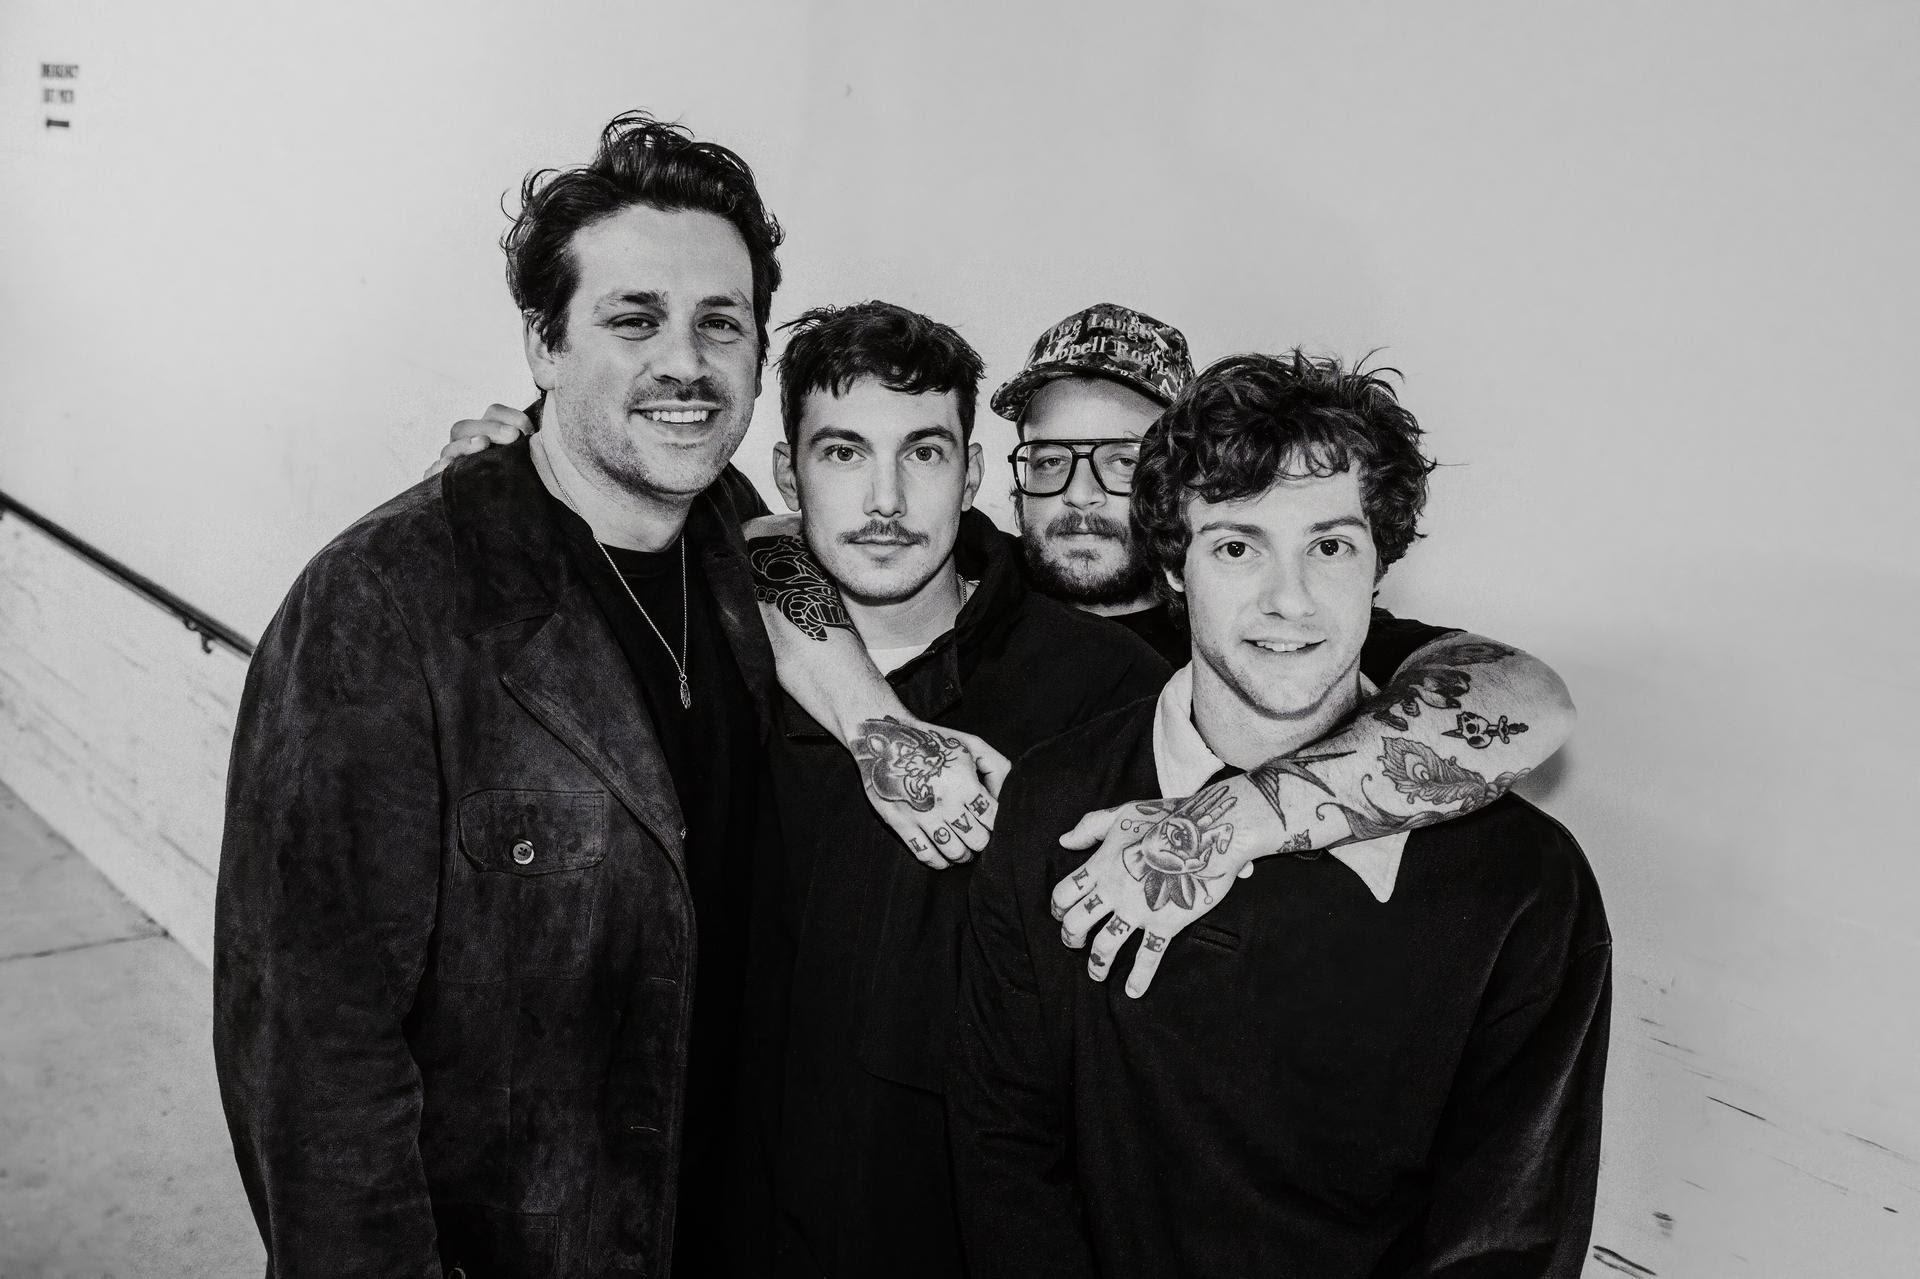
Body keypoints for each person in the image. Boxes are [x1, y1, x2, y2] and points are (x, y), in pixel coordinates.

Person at [431, 306, 1579, 994]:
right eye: (1051, 458)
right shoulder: (972, 591)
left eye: (1122, 460)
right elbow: (771, 542)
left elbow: (1524, 698)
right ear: (1007, 471)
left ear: (1184, 482)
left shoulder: (1266, 635)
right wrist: (545, 463)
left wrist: (1234, 819)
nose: (1080, 493)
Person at [215, 111, 794, 1277]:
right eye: (633, 319)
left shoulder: (751, 550)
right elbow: (313, 1050)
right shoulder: (386, 604)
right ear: (543, 344)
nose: (686, 363)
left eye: (721, 322)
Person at [950, 351, 1611, 1278]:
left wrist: (1230, 820)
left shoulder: (1523, 881)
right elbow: (1006, 1152)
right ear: (1173, 563)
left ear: (1380, 560)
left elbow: (1510, 1241)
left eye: (1329, 546)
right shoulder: (1057, 804)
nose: (1289, 599)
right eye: (1236, 546)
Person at [747, 301, 1168, 1277]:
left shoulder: (1114, 691)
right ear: (788, 475)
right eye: (844, 452)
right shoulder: (712, 639)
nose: (885, 500)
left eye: (925, 453)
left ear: (973, 474)